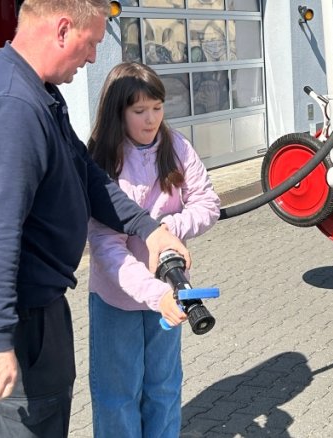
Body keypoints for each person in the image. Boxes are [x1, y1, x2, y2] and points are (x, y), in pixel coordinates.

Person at [0, 1, 190, 436]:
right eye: (91, 42)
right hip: (16, 313)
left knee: (48, 415)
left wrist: (148, 230)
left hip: (38, 302)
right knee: (28, 427)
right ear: (62, 29)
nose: (94, 56)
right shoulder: (12, 108)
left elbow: (86, 174)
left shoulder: (39, 92)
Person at [86, 62, 220, 437]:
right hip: (118, 300)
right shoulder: (102, 161)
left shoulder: (176, 146)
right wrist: (153, 292)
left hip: (173, 293)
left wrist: (168, 229)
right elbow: (105, 246)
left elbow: (208, 203)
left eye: (158, 108)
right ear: (118, 112)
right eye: (139, 111)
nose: (151, 121)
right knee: (118, 396)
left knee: (163, 389)